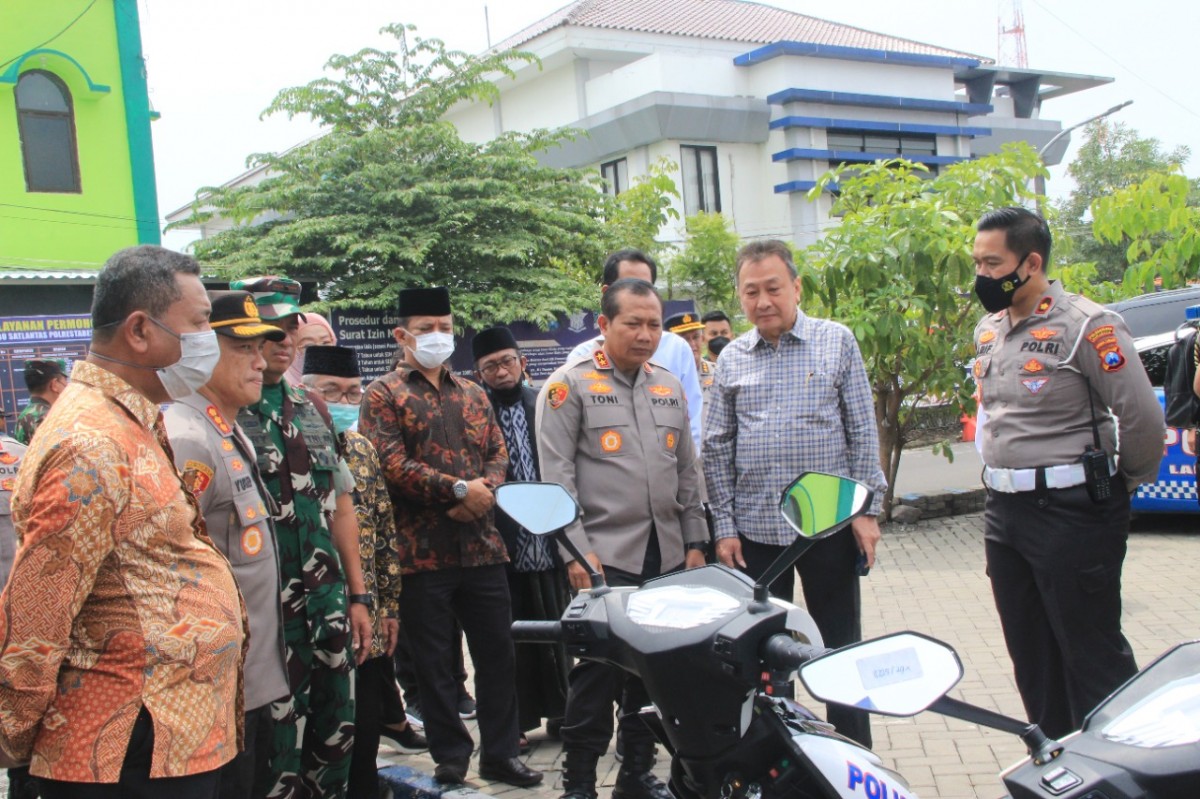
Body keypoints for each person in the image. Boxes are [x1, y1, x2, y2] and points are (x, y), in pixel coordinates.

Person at [0, 245, 246, 796]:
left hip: (169, 733)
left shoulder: (126, 418)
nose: (209, 340)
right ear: (140, 330)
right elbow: (38, 614)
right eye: (201, 323)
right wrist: (13, 742)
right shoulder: (90, 443)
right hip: (124, 746)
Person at [970, 207, 1163, 738]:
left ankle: (1121, 770)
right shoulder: (989, 330)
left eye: (993, 263)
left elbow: (1142, 419)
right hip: (1004, 513)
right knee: (1031, 655)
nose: (981, 276)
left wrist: (1117, 486)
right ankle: (1055, 767)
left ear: (1031, 263)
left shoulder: (1087, 326)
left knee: (1092, 656)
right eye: (977, 263)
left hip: (1071, 513)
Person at [703, 239, 886, 749]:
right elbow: (715, 449)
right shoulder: (733, 358)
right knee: (764, 656)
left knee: (839, 648)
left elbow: (862, 432)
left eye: (773, 288)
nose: (763, 301)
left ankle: (852, 756)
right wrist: (724, 528)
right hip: (756, 533)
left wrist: (866, 510)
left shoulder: (836, 341)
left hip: (828, 526)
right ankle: (778, 756)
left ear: (796, 287)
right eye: (751, 291)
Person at [359, 287, 540, 788]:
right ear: (402, 335)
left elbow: (499, 454)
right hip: (421, 554)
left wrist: (486, 489)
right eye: (426, 328)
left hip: (484, 549)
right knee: (436, 665)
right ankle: (451, 758)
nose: (437, 336)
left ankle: (502, 753)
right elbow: (390, 463)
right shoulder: (382, 393)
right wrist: (458, 490)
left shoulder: (474, 392)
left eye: (444, 326)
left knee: (498, 657)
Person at [536, 278, 708, 799]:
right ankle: (579, 786)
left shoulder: (668, 386)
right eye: (633, 322)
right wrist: (576, 553)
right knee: (597, 678)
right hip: (603, 561)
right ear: (604, 324)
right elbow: (555, 480)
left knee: (653, 680)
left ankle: (635, 777)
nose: (645, 334)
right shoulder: (569, 387)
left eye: (654, 324)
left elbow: (687, 474)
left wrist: (696, 542)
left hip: (667, 557)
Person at [230, 276, 373, 799]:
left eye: (291, 325)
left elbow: (340, 504)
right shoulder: (223, 411)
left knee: (334, 738)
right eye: (270, 328)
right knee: (272, 753)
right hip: (268, 617)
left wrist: (358, 594)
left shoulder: (310, 405)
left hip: (325, 605)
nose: (285, 337)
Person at [162, 290, 292, 799]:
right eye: (243, 349)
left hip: (248, 683)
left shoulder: (224, 428)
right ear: (198, 348)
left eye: (262, 349)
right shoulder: (188, 438)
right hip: (213, 690)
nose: (260, 362)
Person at [300, 345, 428, 798]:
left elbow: (385, 533)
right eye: (329, 391)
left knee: (366, 734)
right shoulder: (291, 443)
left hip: (368, 619)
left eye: (352, 391)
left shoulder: (361, 447)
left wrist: (389, 607)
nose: (341, 400)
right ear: (305, 390)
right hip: (314, 625)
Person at [471, 326, 571, 748]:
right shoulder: (476, 413)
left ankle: (566, 716)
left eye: (507, 361)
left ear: (522, 362)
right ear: (479, 374)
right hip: (503, 542)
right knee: (508, 640)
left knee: (560, 632)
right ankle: (516, 723)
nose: (500, 371)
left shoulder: (545, 404)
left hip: (550, 537)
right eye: (490, 366)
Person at [568, 249, 703, 444]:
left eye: (646, 287)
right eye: (630, 287)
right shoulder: (581, 358)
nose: (640, 296)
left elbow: (693, 426)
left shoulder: (677, 349)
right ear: (607, 293)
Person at [13, 359, 67, 445]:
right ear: (54, 384)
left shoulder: (23, 416)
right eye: (65, 383)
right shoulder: (49, 419)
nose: (67, 389)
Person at [665, 312, 714, 396]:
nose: (692, 344)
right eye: (685, 339)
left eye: (695, 337)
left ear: (702, 339)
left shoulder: (717, 372)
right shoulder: (661, 377)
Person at [284, 312, 336, 386]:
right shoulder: (280, 389)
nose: (320, 351)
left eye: (325, 343)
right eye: (308, 346)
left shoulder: (347, 385)